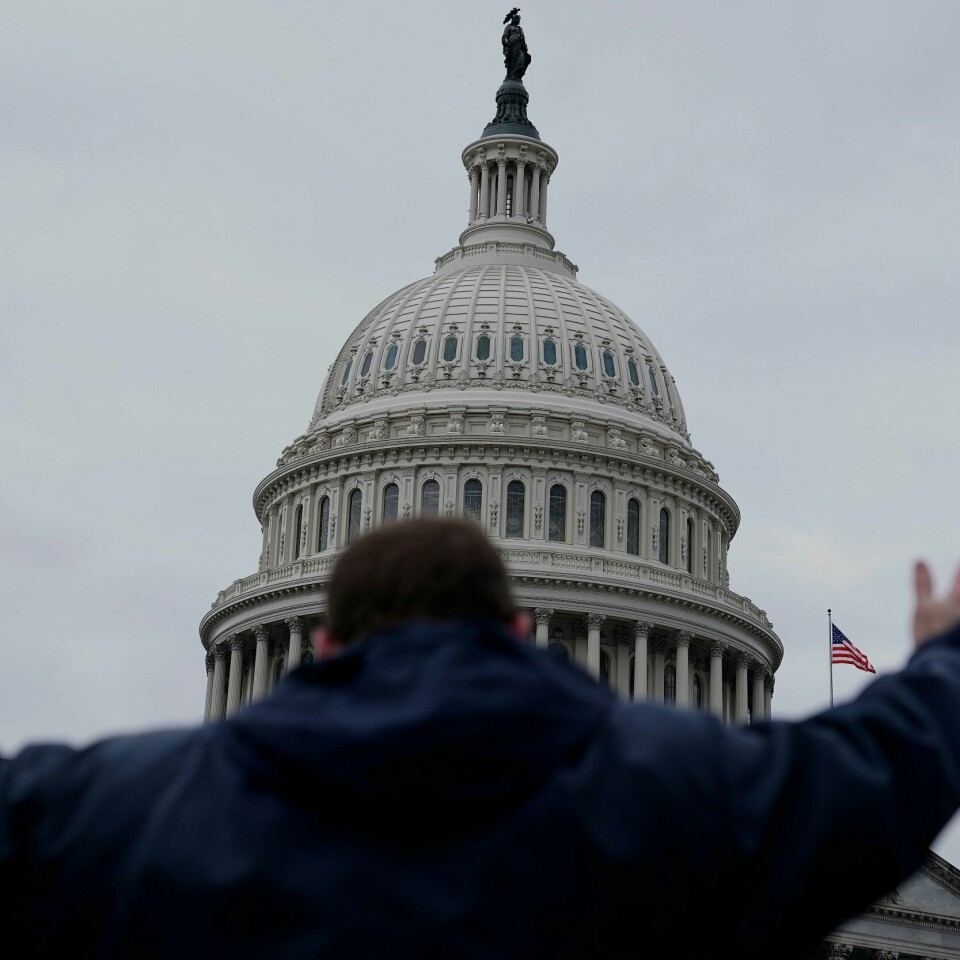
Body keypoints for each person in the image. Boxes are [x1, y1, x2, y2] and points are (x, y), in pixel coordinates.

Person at [1, 518, 960, 960]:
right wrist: (940, 662)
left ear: (323, 642)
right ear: (515, 631)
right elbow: (879, 773)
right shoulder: (673, 802)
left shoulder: (126, 810)